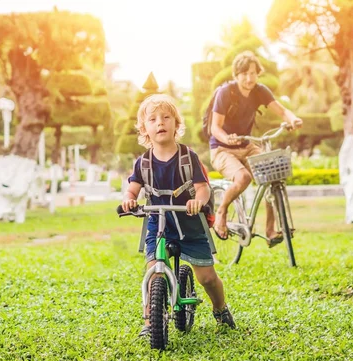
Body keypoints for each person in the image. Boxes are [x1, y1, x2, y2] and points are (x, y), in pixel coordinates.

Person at [122, 94, 235, 336]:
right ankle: (151, 322)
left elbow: (203, 188)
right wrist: (129, 198)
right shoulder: (143, 163)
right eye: (152, 119)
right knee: (154, 269)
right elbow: (133, 186)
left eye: (165, 117)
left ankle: (220, 308)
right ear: (145, 129)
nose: (160, 123)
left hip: (189, 223)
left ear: (176, 123)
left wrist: (198, 201)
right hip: (159, 223)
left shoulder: (188, 157)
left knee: (206, 277)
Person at [210, 51, 303, 245]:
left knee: (271, 174)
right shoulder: (225, 93)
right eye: (244, 73)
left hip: (247, 145)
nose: (249, 78)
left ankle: (270, 231)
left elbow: (282, 110)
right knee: (243, 177)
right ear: (236, 75)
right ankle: (222, 211)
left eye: (253, 73)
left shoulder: (260, 91)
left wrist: (292, 119)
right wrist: (227, 138)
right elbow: (215, 127)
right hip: (221, 149)